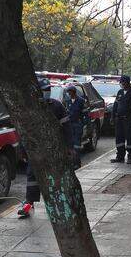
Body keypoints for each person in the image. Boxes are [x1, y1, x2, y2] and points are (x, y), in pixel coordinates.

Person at [18, 77, 73, 216]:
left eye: (49, 89)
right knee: (32, 175)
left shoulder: (57, 106)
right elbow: (24, 131)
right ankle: (29, 202)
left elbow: (67, 127)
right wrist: (22, 148)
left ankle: (60, 201)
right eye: (44, 90)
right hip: (35, 149)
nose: (47, 92)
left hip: (54, 148)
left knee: (56, 175)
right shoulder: (30, 108)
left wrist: (69, 147)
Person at [110, 74, 131, 164]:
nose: (122, 84)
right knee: (119, 139)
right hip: (119, 120)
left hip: (128, 120)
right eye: (121, 82)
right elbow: (115, 105)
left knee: (130, 139)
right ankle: (120, 156)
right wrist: (112, 116)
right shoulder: (120, 92)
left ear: (127, 83)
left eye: (123, 82)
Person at [65, 83, 85, 170]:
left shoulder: (81, 101)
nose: (69, 94)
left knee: (77, 145)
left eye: (70, 92)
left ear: (73, 92)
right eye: (68, 92)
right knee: (71, 145)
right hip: (70, 125)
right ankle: (72, 163)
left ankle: (77, 163)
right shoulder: (68, 101)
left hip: (77, 124)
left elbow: (85, 114)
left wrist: (83, 123)